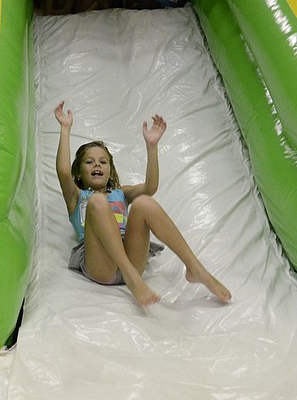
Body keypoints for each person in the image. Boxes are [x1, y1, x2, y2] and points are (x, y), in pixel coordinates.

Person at [53, 101, 231, 307]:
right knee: (98, 201)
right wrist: (65, 129)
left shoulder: (121, 193)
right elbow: (63, 172)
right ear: (79, 171)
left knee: (144, 202)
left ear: (110, 170)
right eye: (89, 161)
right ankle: (132, 278)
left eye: (103, 162)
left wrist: (152, 147)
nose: (97, 165)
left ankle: (195, 269)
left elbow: (150, 187)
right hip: (101, 264)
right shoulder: (78, 196)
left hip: (131, 255)